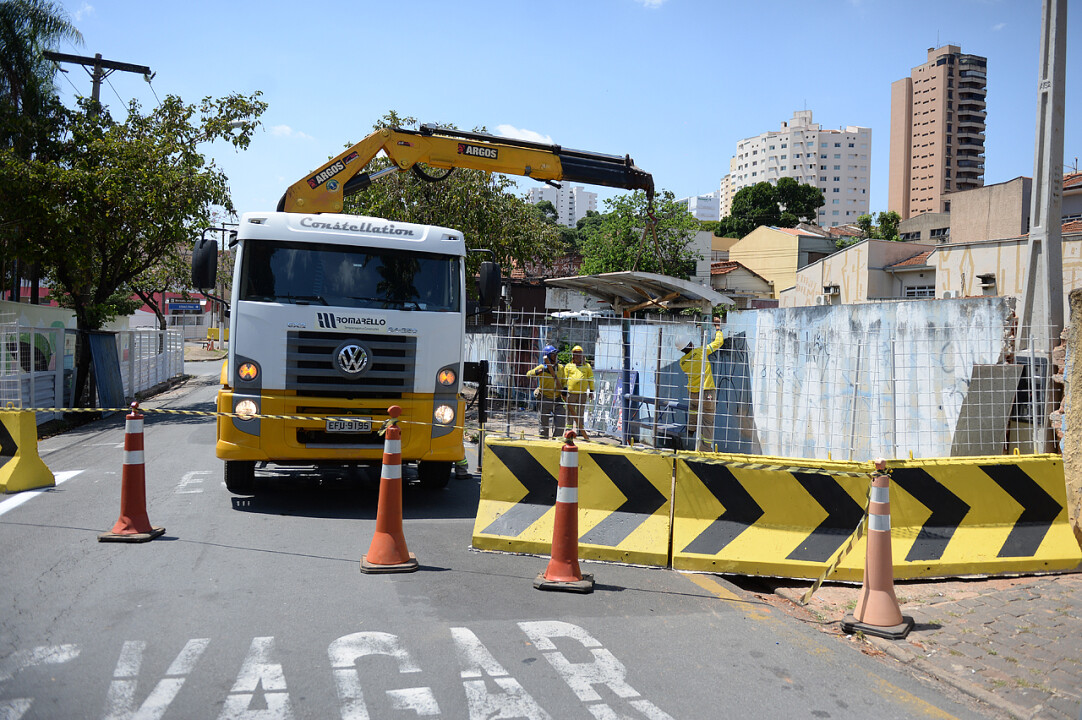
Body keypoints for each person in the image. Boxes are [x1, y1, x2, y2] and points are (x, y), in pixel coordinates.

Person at [677, 316, 724, 452]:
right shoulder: (701, 352)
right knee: (708, 421)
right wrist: (718, 328)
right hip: (707, 391)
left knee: (693, 410)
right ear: (691, 344)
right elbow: (718, 342)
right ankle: (705, 448)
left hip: (693, 392)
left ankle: (691, 429)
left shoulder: (682, 363)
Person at [526, 345, 567, 439]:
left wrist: (564, 389)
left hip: (558, 399)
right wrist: (542, 370)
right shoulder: (542, 367)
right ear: (547, 356)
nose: (555, 356)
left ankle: (556, 441)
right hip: (545, 399)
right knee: (543, 426)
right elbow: (528, 375)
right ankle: (544, 442)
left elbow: (564, 381)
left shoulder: (560, 368)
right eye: (553, 354)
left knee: (560, 423)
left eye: (556, 354)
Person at [563, 345, 595, 441]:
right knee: (569, 411)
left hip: (582, 393)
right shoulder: (568, 366)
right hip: (571, 393)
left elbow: (591, 379)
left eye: (579, 354)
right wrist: (564, 390)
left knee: (580, 412)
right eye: (575, 354)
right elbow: (564, 379)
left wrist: (592, 391)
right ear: (573, 355)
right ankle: (569, 429)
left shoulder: (587, 366)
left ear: (582, 355)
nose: (577, 356)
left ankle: (580, 430)